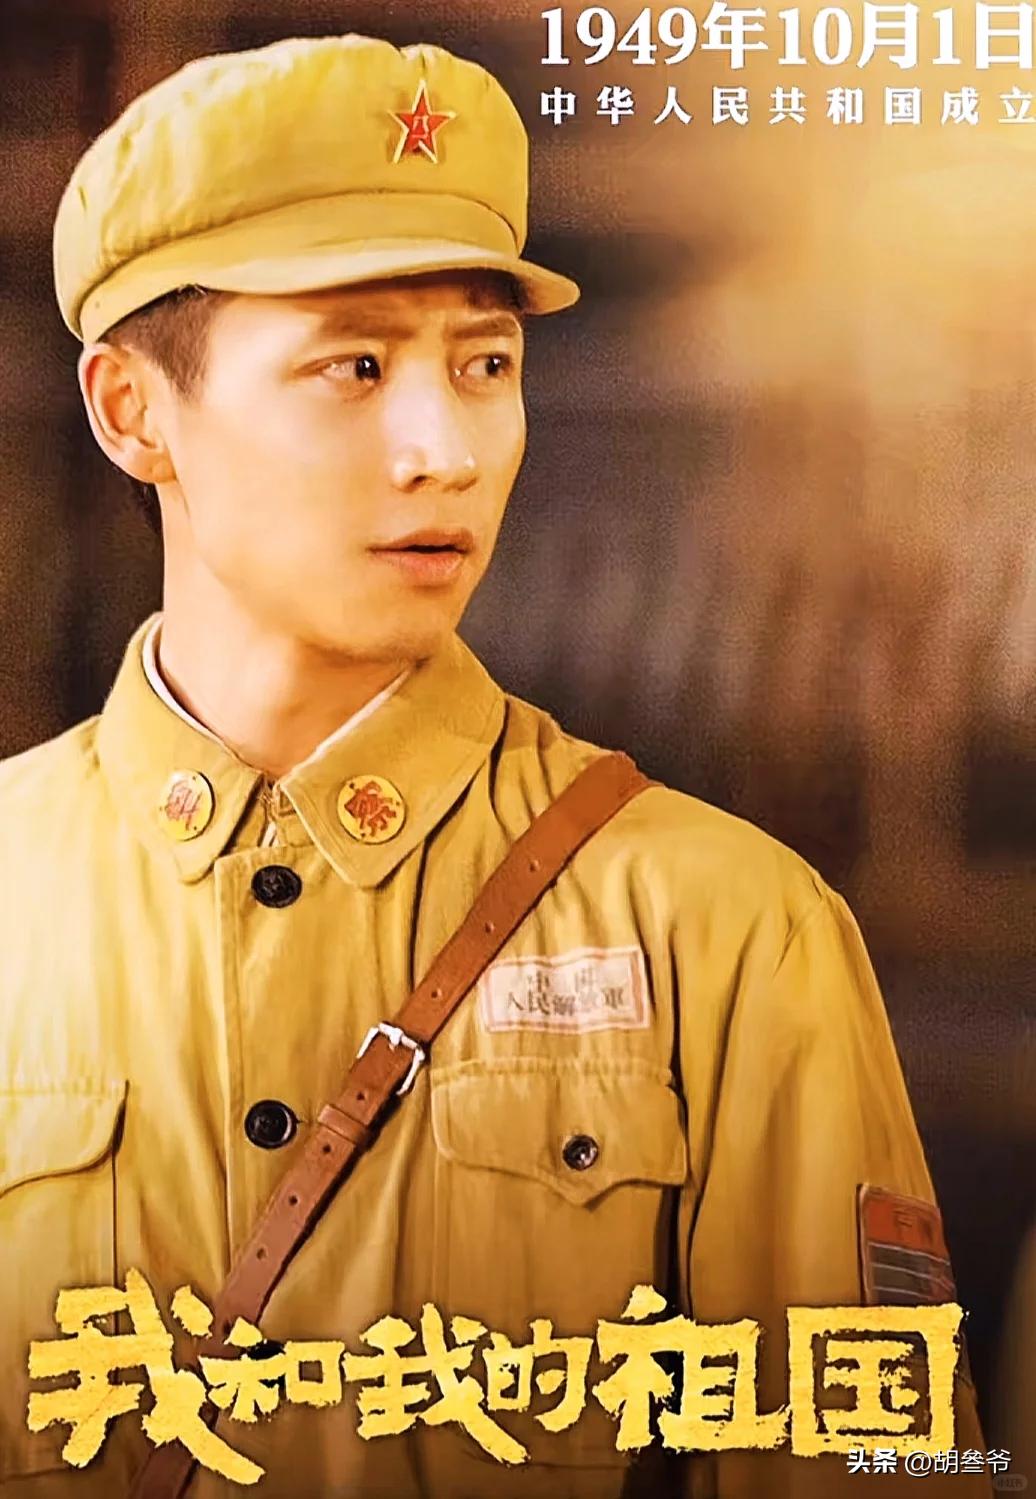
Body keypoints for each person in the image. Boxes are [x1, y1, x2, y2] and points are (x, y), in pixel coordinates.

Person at [0, 31, 990, 1499]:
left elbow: (874, 1463)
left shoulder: (728, 931)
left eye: (485, 366)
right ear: (132, 410)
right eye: (352, 366)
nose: (445, 448)